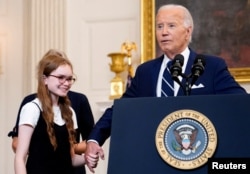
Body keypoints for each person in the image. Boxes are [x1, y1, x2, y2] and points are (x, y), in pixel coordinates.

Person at [84, 4, 247, 173]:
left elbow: (238, 103)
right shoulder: (145, 71)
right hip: (155, 160)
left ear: (188, 31)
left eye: (171, 25)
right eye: (159, 26)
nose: (164, 32)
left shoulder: (211, 66)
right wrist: (94, 140)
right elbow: (120, 110)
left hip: (200, 160)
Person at [9, 49, 95, 174]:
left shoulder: (70, 112)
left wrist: (88, 158)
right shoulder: (31, 108)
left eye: (70, 79)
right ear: (45, 79)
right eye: (61, 78)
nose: (66, 83)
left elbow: (71, 159)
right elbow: (20, 158)